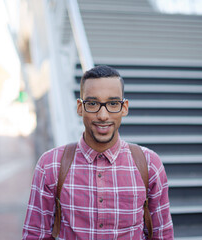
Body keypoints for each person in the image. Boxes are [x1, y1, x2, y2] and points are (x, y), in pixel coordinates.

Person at [22, 65, 174, 239]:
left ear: (124, 108)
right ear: (80, 107)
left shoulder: (149, 164)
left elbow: (162, 235)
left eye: (113, 103)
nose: (103, 115)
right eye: (93, 103)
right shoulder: (50, 164)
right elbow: (35, 235)